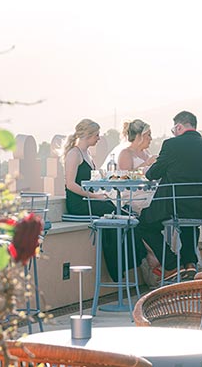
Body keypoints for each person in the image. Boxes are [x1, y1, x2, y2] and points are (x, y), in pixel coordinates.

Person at [139, 111, 202, 278]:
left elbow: (153, 174)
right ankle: (190, 264)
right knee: (189, 221)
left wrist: (147, 169)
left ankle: (172, 264)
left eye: (174, 130)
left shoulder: (171, 145)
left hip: (174, 206)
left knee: (144, 223)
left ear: (179, 126)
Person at [63, 118, 147, 280]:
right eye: (96, 135)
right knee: (115, 212)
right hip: (79, 203)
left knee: (123, 213)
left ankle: (129, 261)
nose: (99, 138)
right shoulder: (74, 154)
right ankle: (121, 265)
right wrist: (95, 196)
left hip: (90, 199)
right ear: (87, 135)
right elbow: (70, 185)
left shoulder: (87, 154)